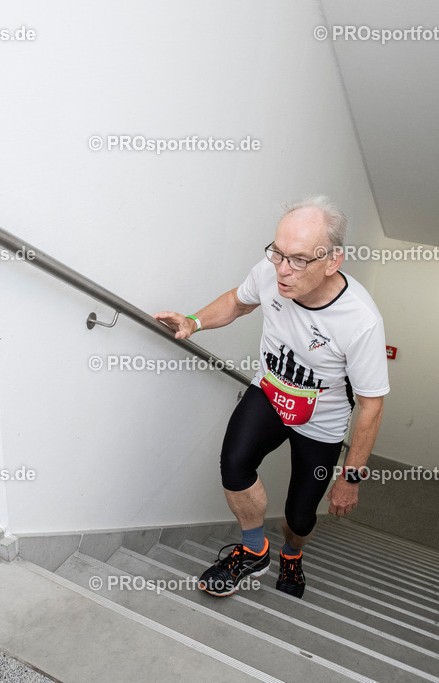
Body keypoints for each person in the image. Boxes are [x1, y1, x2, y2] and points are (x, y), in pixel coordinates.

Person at [153, 196, 389, 598]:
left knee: (299, 516)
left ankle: (292, 557)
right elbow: (237, 301)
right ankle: (253, 550)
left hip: (321, 423)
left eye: (298, 260)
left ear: (333, 261)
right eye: (278, 253)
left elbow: (371, 404)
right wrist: (194, 322)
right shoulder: (270, 272)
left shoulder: (361, 322)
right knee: (234, 465)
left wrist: (351, 477)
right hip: (270, 392)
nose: (282, 269)